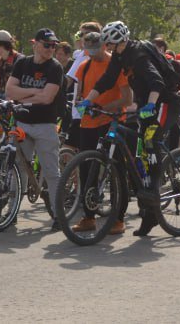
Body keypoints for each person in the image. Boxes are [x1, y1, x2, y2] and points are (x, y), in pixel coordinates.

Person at [79, 20, 174, 236]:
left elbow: (156, 82)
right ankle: (148, 211)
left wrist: (150, 105)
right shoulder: (120, 57)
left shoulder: (138, 54)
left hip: (164, 101)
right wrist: (88, 100)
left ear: (119, 40)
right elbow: (106, 80)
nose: (108, 47)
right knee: (138, 152)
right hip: (146, 103)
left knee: (150, 144)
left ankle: (155, 189)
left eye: (110, 43)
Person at [70, 31, 131, 235]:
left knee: (116, 169)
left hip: (111, 121)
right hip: (88, 124)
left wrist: (104, 108)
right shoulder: (84, 66)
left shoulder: (116, 65)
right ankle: (88, 217)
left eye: (97, 49)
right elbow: (80, 95)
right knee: (87, 170)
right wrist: (82, 106)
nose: (93, 54)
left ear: (105, 45)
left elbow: (127, 99)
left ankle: (119, 218)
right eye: (90, 50)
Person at [5, 29, 66, 230]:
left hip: (45, 124)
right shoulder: (22, 63)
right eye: (47, 45)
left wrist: (21, 96)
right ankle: (11, 212)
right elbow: (9, 91)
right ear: (36, 44)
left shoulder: (55, 68)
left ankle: (59, 216)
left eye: (54, 46)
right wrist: (34, 91)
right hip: (22, 123)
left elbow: (47, 98)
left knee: (51, 172)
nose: (51, 49)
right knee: (18, 168)